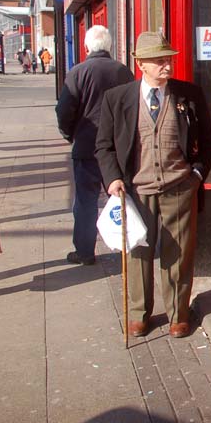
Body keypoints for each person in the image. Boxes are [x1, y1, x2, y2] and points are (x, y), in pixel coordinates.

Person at [95, 32, 211, 338]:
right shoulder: (117, 98)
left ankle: (178, 313)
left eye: (168, 59)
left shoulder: (189, 95)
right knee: (138, 252)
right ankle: (139, 313)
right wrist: (113, 180)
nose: (166, 65)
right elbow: (104, 146)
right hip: (136, 189)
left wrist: (197, 175)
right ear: (141, 65)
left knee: (179, 254)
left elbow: (208, 140)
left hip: (179, 186)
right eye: (159, 60)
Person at [56, 25, 134, 265]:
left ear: (86, 46)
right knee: (123, 200)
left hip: (87, 146)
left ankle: (85, 251)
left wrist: (71, 135)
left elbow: (64, 111)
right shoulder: (123, 72)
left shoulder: (77, 72)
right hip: (117, 148)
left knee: (86, 202)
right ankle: (130, 247)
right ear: (109, 46)